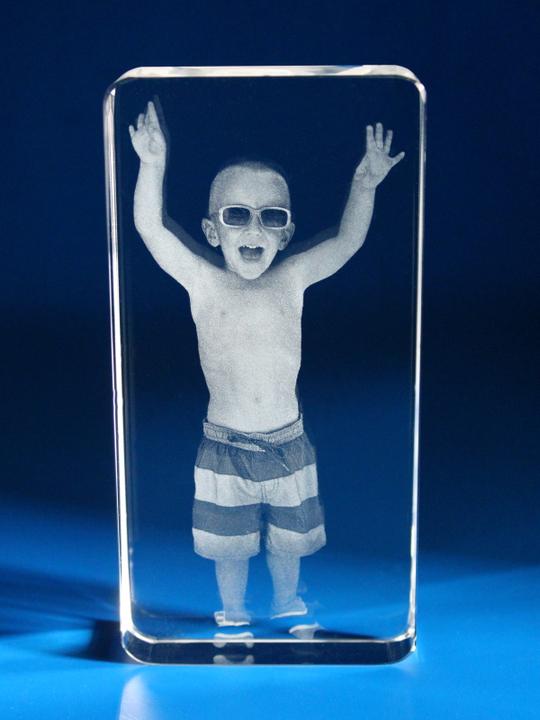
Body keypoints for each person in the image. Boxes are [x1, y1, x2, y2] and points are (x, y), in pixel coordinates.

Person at [129, 101, 404, 635]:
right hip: (225, 446)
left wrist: (365, 184)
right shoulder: (204, 282)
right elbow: (151, 229)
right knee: (228, 544)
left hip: (288, 442)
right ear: (212, 230)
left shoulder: (292, 278)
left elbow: (347, 242)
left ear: (286, 232)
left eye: (271, 217)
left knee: (289, 539)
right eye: (237, 215)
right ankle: (232, 609)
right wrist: (152, 164)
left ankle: (285, 600)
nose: (254, 229)